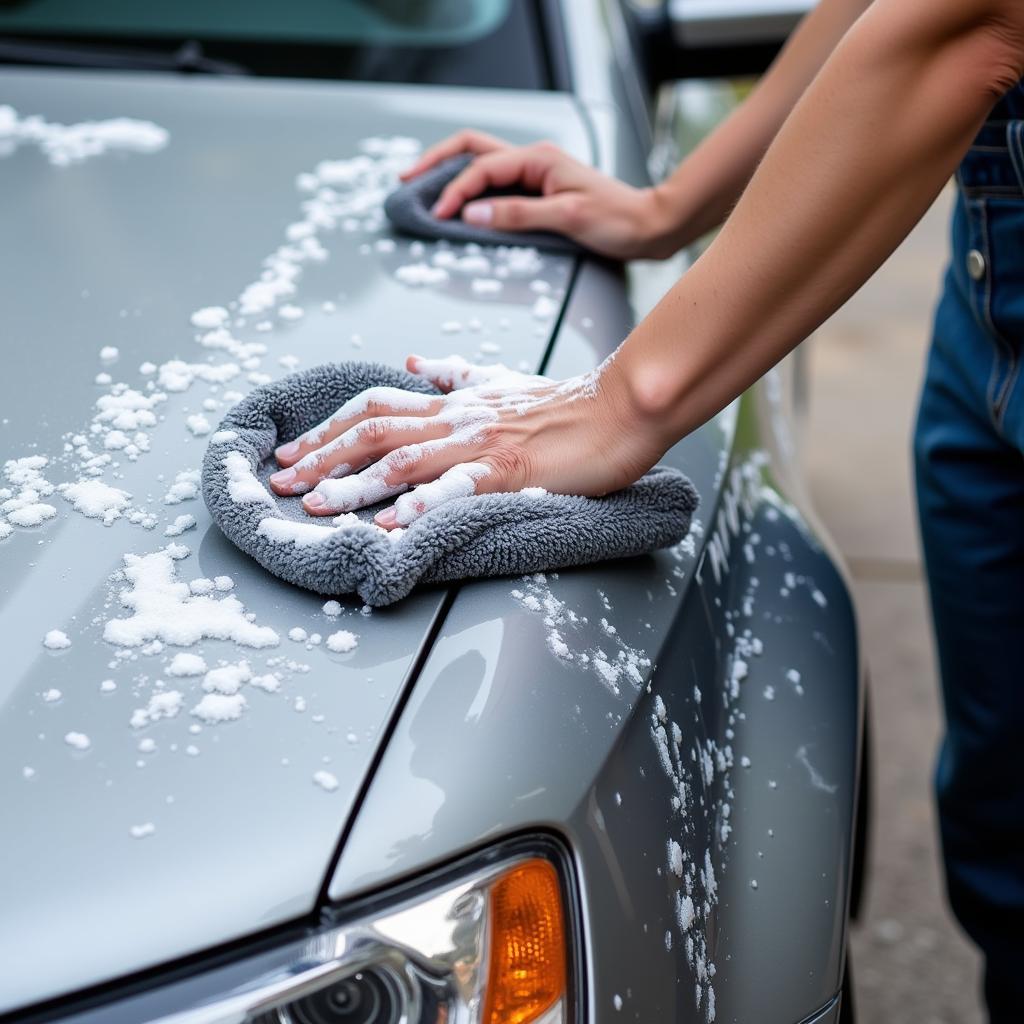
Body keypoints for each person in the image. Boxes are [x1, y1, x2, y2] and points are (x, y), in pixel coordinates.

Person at [267, 0, 1024, 1015]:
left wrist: (620, 404)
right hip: (987, 298)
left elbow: (974, 25)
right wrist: (669, 206)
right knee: (1006, 840)